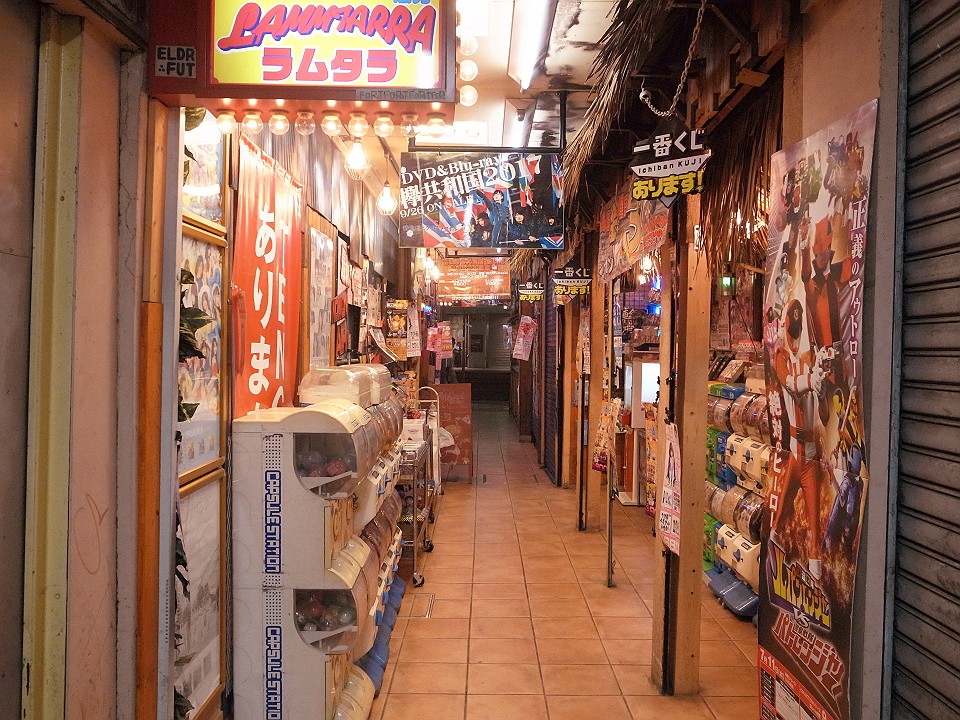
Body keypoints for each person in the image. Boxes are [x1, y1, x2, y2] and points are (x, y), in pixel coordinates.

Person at [770, 299, 826, 580]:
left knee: (814, 523)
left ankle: (815, 574)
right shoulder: (782, 356)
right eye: (793, 316)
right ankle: (774, 555)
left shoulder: (807, 357)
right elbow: (790, 385)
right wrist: (810, 380)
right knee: (781, 512)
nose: (795, 321)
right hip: (794, 450)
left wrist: (820, 375)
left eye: (798, 316)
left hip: (811, 452)